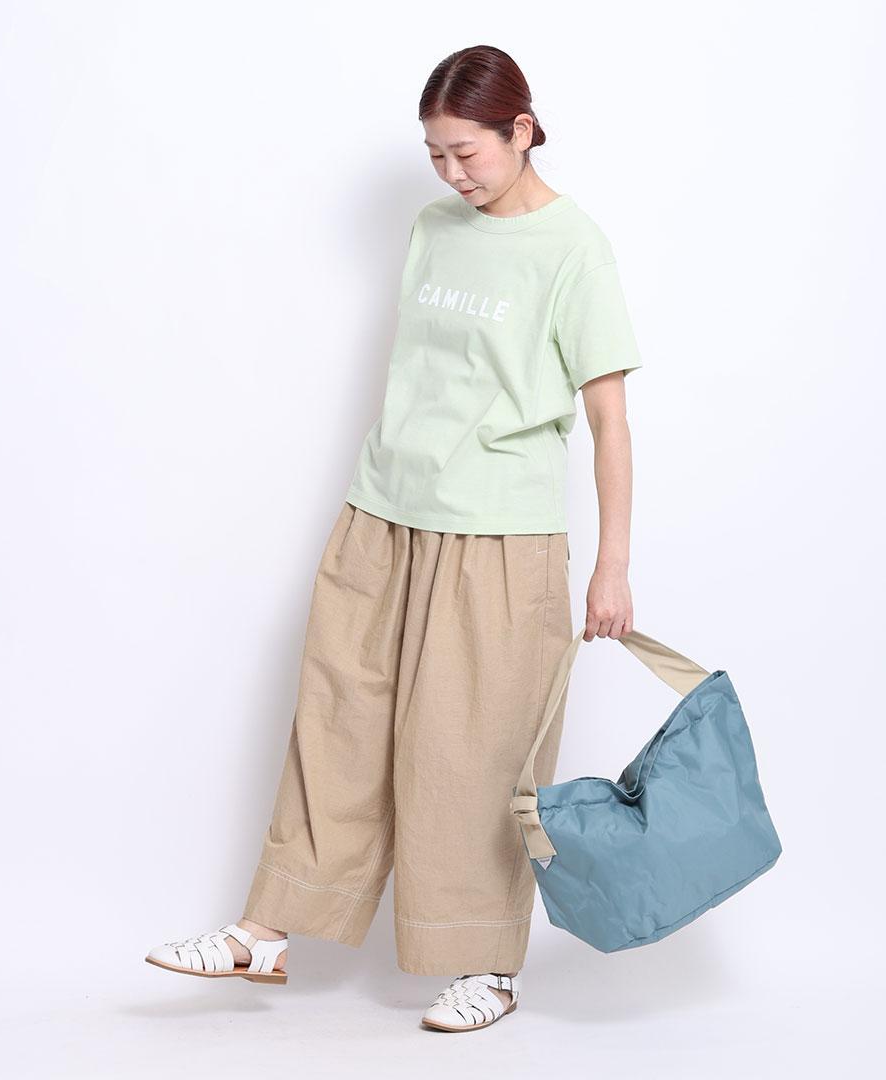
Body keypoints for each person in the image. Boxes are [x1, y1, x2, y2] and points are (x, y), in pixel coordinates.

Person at [145, 44, 643, 1033]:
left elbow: (609, 419)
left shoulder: (574, 248)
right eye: (435, 156)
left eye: (468, 152)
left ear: (522, 129)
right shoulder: (433, 229)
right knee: (337, 722)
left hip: (499, 534)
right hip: (383, 512)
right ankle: (266, 930)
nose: (454, 174)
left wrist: (613, 566)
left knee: (471, 755)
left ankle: (487, 967)